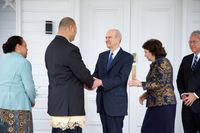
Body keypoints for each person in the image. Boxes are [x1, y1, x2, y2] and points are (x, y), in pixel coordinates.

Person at [45, 17, 98, 133]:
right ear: (70, 28)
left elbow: (63, 74)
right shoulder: (70, 49)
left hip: (56, 104)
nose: (75, 34)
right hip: (69, 107)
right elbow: (82, 73)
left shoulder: (49, 48)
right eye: (75, 31)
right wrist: (92, 82)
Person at [128, 39, 176, 133]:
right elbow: (156, 83)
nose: (144, 55)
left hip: (164, 105)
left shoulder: (162, 62)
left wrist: (140, 84)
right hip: (156, 104)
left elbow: (161, 83)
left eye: (146, 52)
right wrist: (145, 95)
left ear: (153, 51)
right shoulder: (155, 64)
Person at [93, 29, 133, 133]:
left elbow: (121, 78)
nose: (106, 40)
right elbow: (96, 74)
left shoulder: (127, 57)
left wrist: (102, 82)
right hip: (102, 102)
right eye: (106, 37)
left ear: (118, 39)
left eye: (109, 37)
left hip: (116, 104)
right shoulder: (102, 56)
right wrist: (88, 81)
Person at [0, 36, 36, 133]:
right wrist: (32, 100)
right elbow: (29, 87)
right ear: (18, 47)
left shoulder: (2, 61)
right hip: (19, 109)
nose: (27, 49)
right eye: (25, 46)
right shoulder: (23, 62)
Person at [176, 30, 200, 133]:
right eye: (190, 42)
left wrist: (195, 95)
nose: (191, 44)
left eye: (194, 42)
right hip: (187, 108)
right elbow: (179, 80)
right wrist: (182, 94)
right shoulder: (186, 59)